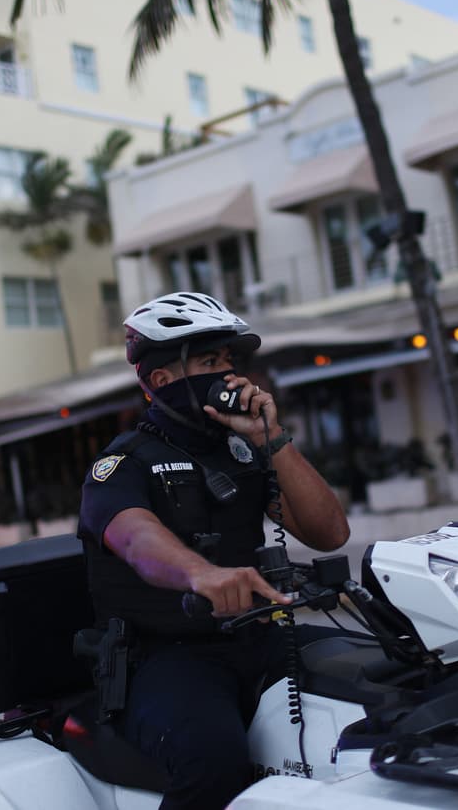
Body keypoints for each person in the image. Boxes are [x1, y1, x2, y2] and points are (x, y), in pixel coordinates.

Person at [77, 291, 350, 810]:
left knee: (378, 684)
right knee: (213, 761)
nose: (228, 376)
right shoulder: (123, 464)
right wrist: (200, 574)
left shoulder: (242, 449)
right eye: (208, 363)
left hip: (259, 637)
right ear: (162, 379)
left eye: (228, 361)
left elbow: (329, 533)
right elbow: (135, 537)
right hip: (166, 658)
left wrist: (272, 438)